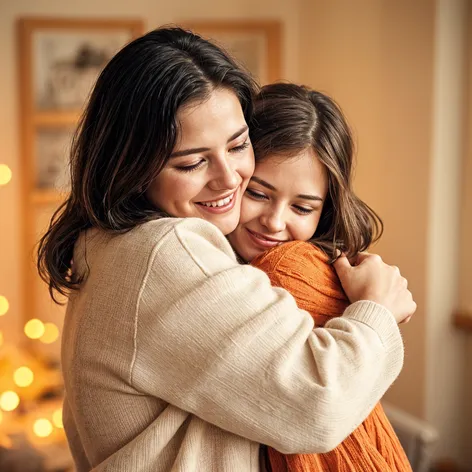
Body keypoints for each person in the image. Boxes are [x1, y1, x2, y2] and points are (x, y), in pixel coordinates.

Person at [37, 27, 416, 471]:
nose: (229, 177)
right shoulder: (164, 251)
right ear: (133, 163)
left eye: (238, 144)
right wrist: (377, 311)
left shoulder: (107, 242)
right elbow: (318, 405)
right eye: (193, 161)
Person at [227, 83, 412, 471]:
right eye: (258, 193)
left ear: (324, 212)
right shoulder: (208, 265)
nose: (275, 222)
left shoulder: (290, 270)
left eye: (302, 206)